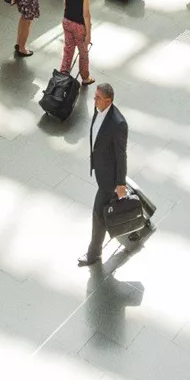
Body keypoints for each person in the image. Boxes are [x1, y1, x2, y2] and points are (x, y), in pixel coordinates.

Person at [79, 81, 128, 267]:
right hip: (101, 171)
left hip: (109, 180)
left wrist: (120, 183)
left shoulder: (118, 123)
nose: (94, 100)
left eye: (98, 98)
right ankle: (128, 230)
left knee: (98, 214)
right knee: (105, 214)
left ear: (108, 101)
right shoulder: (98, 110)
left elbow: (121, 155)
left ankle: (93, 254)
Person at [60, 0, 93, 87]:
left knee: (68, 49)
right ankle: (85, 77)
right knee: (83, 52)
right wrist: (88, 33)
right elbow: (86, 14)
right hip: (79, 25)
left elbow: (65, 4)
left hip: (67, 21)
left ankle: (63, 75)